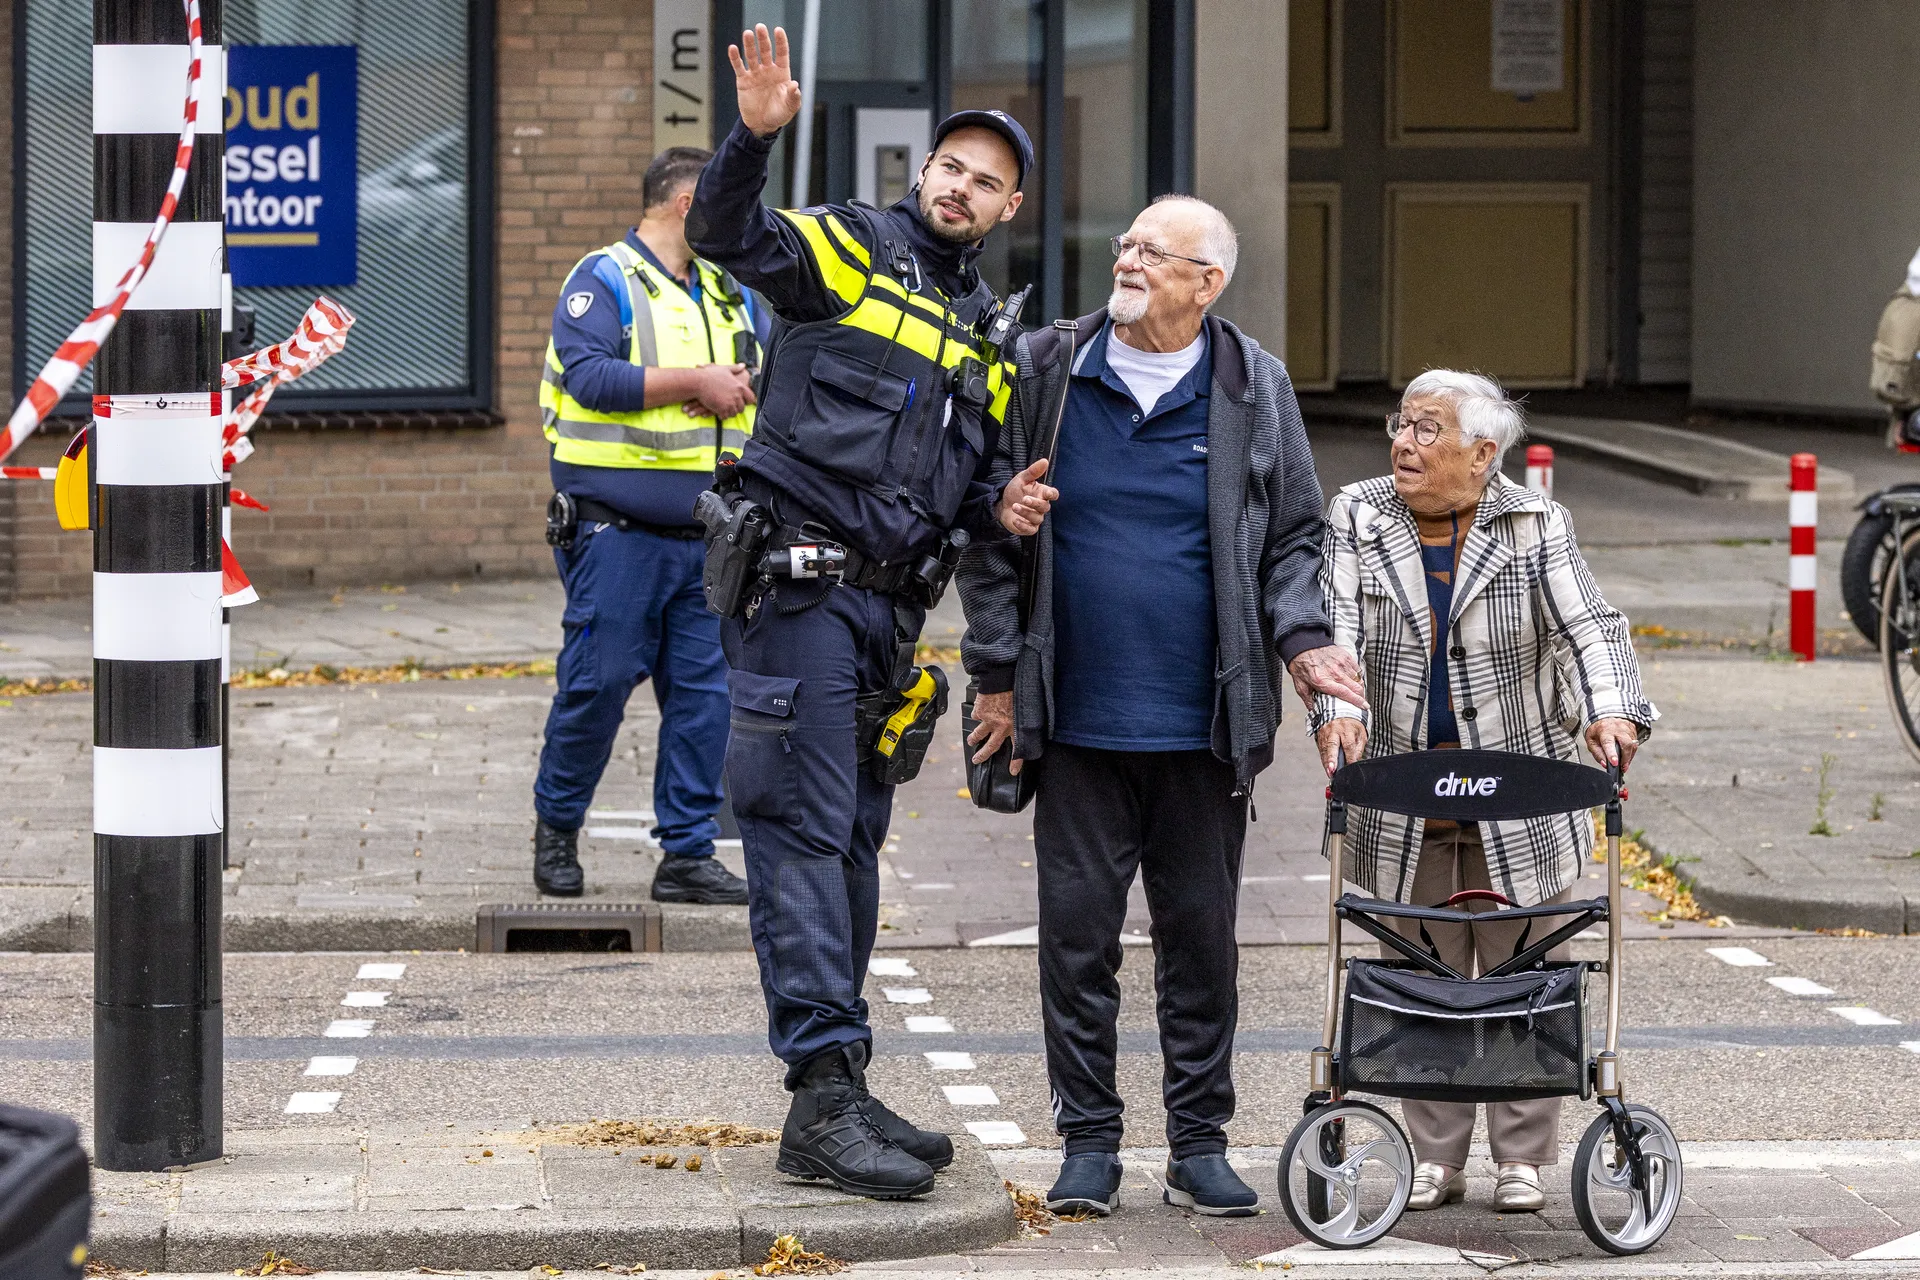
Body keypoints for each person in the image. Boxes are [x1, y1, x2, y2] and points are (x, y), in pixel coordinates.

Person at [685, 25, 1058, 1201]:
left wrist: (1005, 507)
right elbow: (724, 234)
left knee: (848, 848)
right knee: (797, 835)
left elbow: (979, 506)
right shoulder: (847, 251)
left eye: (987, 180)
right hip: (795, 594)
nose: (963, 185)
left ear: (1006, 211)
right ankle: (820, 1097)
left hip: (887, 624)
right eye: (953, 164)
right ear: (925, 173)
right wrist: (751, 135)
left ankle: (839, 1078)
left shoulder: (991, 344)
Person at [958, 196, 1367, 1219]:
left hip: (1203, 722)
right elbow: (990, 526)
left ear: (1206, 281)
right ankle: (1088, 1139)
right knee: (1076, 939)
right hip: (1077, 719)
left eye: (1154, 251)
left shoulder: (1249, 381)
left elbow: (1295, 537)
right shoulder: (1051, 368)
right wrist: (998, 673)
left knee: (1201, 939)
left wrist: (1306, 640)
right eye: (1127, 243)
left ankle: (1198, 1141)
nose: (1129, 259)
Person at [1312, 370, 1657, 1214]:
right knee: (1418, 978)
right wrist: (1334, 709)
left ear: (1482, 452)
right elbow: (1336, 628)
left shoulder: (1537, 522)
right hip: (1404, 795)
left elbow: (1590, 629)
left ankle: (1522, 1158)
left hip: (1522, 798)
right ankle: (1433, 1158)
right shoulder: (1358, 512)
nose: (1404, 442)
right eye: (1403, 423)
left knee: (1528, 976)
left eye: (1429, 431)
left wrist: (1611, 712)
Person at [531, 145, 759, 906]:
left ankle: (687, 856)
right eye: (724, 205)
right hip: (616, 534)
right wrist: (692, 383)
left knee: (706, 701)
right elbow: (589, 378)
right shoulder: (604, 278)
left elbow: (773, 374)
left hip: (712, 539)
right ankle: (557, 830)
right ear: (686, 203)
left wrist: (736, 385)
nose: (737, 221)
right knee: (596, 687)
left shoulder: (730, 290)